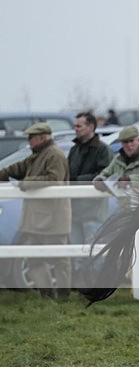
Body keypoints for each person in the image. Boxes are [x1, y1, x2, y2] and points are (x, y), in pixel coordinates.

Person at [93, 126, 139, 296]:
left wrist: (131, 179)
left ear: (138, 140)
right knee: (130, 259)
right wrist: (99, 181)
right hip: (129, 219)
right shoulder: (118, 160)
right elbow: (105, 174)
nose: (128, 145)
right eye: (125, 142)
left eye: (131, 141)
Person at [0, 123, 71, 298]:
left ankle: (63, 295)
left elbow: (54, 179)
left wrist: (27, 182)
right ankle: (46, 293)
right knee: (33, 257)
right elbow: (15, 169)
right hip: (35, 218)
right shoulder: (36, 156)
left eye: (31, 137)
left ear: (42, 138)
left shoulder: (55, 155)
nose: (29, 141)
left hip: (52, 218)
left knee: (60, 259)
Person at [68, 111, 112, 285]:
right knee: (77, 251)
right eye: (75, 126)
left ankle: (96, 286)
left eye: (79, 126)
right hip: (74, 208)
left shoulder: (102, 150)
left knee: (94, 251)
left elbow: (105, 175)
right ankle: (80, 286)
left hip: (93, 210)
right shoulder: (74, 149)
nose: (76, 129)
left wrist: (77, 181)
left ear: (91, 127)